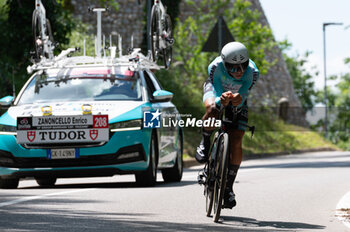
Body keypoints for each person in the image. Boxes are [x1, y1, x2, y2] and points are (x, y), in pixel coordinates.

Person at [196, 41, 259, 209]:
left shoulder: (252, 73)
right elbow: (216, 92)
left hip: (239, 96)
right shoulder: (215, 67)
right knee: (212, 109)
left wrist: (236, 101)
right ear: (225, 64)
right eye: (232, 67)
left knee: (237, 138)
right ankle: (205, 140)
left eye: (242, 66)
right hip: (216, 90)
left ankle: (228, 187)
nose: (238, 71)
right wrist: (220, 100)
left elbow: (243, 96)